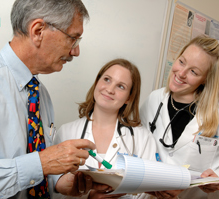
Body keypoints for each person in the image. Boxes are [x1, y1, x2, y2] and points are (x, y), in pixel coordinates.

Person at [0, 0, 109, 198]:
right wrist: (41, 163)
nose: (76, 51)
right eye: (73, 39)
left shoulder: (40, 94)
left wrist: (59, 184)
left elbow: (35, 171)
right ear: (38, 31)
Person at [140, 35, 219, 199]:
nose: (181, 73)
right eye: (181, 61)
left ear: (206, 79)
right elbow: (139, 149)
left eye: (193, 71)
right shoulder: (154, 99)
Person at [54, 58, 158, 198]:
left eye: (121, 86)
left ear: (129, 98)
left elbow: (149, 193)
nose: (109, 89)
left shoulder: (143, 138)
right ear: (97, 82)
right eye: (107, 79)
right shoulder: (66, 132)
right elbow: (55, 191)